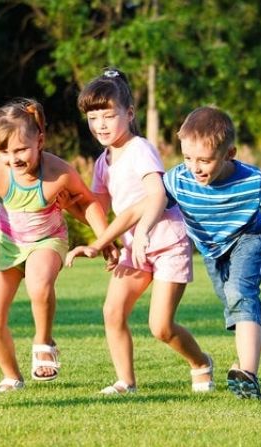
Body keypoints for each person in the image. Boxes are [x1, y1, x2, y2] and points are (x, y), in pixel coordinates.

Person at [129, 106, 261, 399]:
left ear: (230, 153)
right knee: (241, 307)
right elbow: (152, 201)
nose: (195, 167)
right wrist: (133, 233)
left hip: (250, 238)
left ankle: (247, 374)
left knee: (240, 295)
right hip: (213, 251)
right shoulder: (180, 179)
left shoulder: (251, 182)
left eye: (204, 160)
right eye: (188, 158)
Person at [65, 69, 214, 395]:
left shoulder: (140, 149)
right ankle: (125, 382)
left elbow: (157, 194)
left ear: (129, 114)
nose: (100, 124)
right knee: (112, 311)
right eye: (93, 117)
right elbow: (97, 210)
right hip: (135, 247)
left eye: (108, 115)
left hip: (166, 242)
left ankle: (201, 362)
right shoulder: (103, 161)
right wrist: (64, 204)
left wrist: (142, 230)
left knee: (160, 327)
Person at [0, 98, 110, 393]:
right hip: (6, 244)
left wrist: (105, 241)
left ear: (40, 141)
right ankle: (11, 376)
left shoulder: (58, 172)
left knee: (39, 284)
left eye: (21, 149)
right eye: (4, 151)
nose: (14, 159)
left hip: (47, 240)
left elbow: (89, 205)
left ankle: (43, 340)